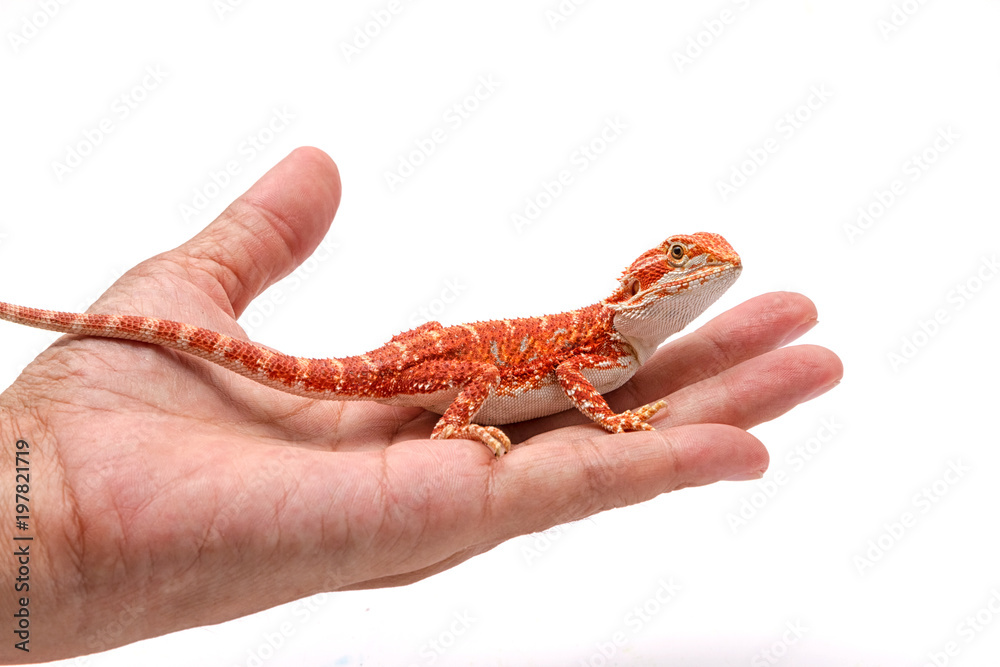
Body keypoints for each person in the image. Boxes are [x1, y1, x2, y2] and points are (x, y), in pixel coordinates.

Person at [0, 148, 841, 662]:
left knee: (472, 360)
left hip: (448, 355)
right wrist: (607, 418)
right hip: (447, 372)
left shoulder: (611, 339)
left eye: (706, 262)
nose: (703, 267)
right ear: (644, 279)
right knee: (471, 376)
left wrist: (67, 544)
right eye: (687, 257)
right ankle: (449, 423)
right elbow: (580, 387)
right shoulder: (602, 345)